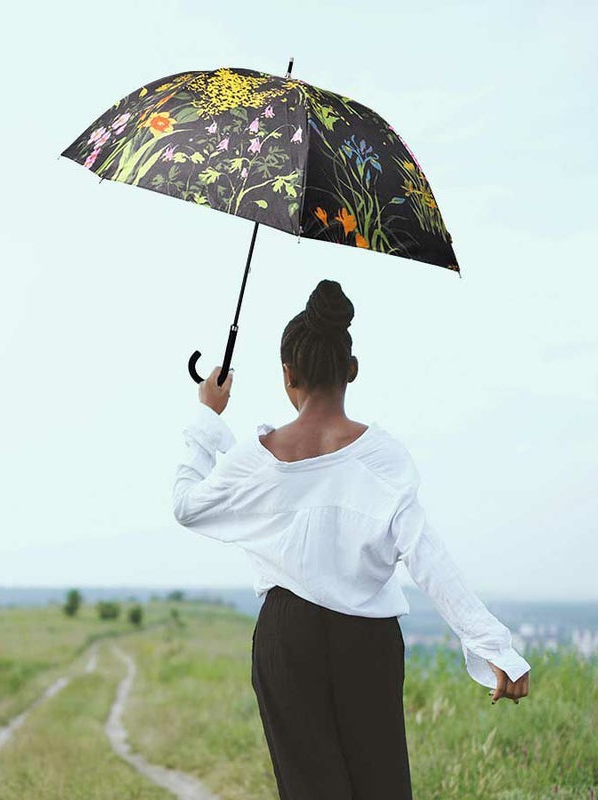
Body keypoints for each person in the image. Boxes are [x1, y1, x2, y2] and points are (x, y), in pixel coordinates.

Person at [172, 279, 530, 800]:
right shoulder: (383, 457)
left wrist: (208, 413)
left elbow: (186, 505)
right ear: (352, 370)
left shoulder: (258, 457)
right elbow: (427, 557)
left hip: (286, 637)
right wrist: (494, 646)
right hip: (367, 642)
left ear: (288, 374)